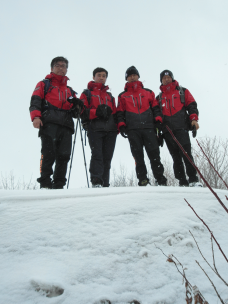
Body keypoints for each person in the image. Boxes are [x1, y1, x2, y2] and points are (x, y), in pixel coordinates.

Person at [29, 56, 83, 189]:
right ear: (52, 68)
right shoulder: (43, 84)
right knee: (48, 153)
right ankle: (45, 183)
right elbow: (35, 101)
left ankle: (59, 184)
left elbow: (77, 113)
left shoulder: (70, 90)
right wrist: (36, 117)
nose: (61, 68)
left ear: (67, 70)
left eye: (63, 66)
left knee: (64, 156)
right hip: (49, 123)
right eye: (58, 66)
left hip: (66, 125)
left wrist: (78, 106)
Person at [117, 66, 167, 186]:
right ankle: (143, 179)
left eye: (134, 75)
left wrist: (158, 120)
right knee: (138, 156)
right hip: (132, 129)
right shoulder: (122, 95)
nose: (132, 77)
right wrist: (121, 124)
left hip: (149, 128)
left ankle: (160, 179)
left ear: (138, 76)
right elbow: (120, 112)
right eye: (129, 76)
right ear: (126, 78)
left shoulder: (148, 92)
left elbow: (155, 108)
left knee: (154, 154)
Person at [157, 69, 202, 187]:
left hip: (181, 128)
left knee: (187, 154)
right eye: (164, 78)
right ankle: (182, 181)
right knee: (175, 157)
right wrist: (158, 133)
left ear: (172, 78)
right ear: (161, 80)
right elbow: (156, 117)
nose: (166, 79)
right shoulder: (159, 97)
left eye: (168, 77)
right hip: (167, 131)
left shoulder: (182, 91)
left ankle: (193, 180)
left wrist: (193, 119)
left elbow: (192, 105)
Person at [80, 67, 118, 188]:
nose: (101, 77)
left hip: (111, 130)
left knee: (107, 158)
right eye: (99, 75)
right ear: (93, 77)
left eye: (104, 76)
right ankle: (96, 181)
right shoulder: (87, 93)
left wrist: (118, 127)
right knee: (97, 155)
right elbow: (82, 111)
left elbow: (115, 113)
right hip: (95, 128)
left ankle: (105, 183)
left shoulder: (110, 96)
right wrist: (97, 112)